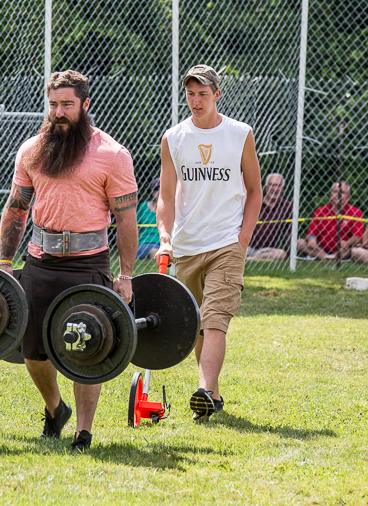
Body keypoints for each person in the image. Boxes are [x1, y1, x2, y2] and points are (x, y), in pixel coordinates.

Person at [0, 70, 138, 452]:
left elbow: (125, 219)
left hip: (88, 263)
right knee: (32, 350)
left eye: (67, 104)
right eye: (54, 104)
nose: (59, 112)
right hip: (40, 261)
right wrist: (5, 262)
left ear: (85, 105)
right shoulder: (31, 150)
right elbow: (17, 207)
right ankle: (55, 409)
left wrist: (125, 275)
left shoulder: (112, 154)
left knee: (87, 344)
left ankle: (84, 431)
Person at [155, 65, 262, 420]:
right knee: (196, 322)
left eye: (203, 94)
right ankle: (212, 395)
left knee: (215, 318)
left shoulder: (240, 134)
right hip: (188, 244)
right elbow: (167, 196)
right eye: (190, 94)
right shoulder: (174, 138)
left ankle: (202, 388)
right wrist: (165, 236)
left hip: (226, 242)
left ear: (218, 95)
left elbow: (255, 190)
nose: (196, 100)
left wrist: (243, 238)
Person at [297, 181, 363, 260]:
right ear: (331, 195)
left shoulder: (355, 212)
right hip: (320, 249)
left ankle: (328, 258)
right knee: (300, 243)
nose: (338, 195)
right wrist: (311, 239)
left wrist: (348, 243)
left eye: (342, 192)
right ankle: (327, 258)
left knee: (353, 249)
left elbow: (357, 237)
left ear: (348, 197)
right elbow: (311, 233)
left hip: (342, 249)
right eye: (335, 191)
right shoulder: (320, 211)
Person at [247, 173, 292, 260]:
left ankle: (253, 258)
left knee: (281, 254)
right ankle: (250, 257)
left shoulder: (287, 206)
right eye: (272, 185)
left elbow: (289, 233)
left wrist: (290, 255)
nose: (275, 189)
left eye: (278, 186)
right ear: (266, 187)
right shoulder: (255, 201)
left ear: (282, 189)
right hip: (248, 246)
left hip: (268, 250)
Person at [136, 179, 160, 259]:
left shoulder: (170, 208)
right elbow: (136, 228)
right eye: (156, 189)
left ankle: (155, 254)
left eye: (161, 188)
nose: (159, 191)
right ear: (152, 192)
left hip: (162, 242)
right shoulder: (143, 206)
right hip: (145, 242)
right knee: (153, 250)